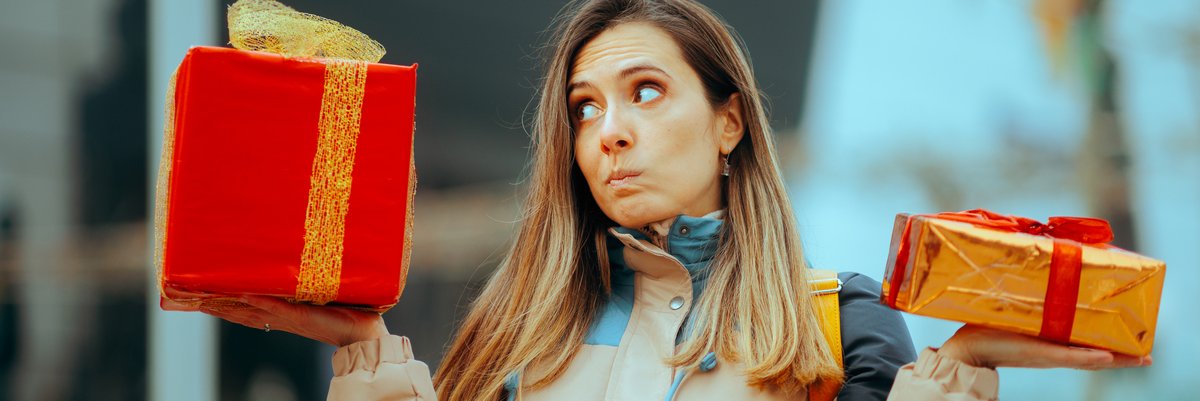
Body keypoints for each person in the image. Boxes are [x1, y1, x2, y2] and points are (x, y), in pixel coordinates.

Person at [202, 0, 1151, 400]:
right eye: (584, 108)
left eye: (646, 91)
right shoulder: (513, 335)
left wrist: (953, 372)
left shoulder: (840, 326)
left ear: (730, 122)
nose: (608, 131)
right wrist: (370, 357)